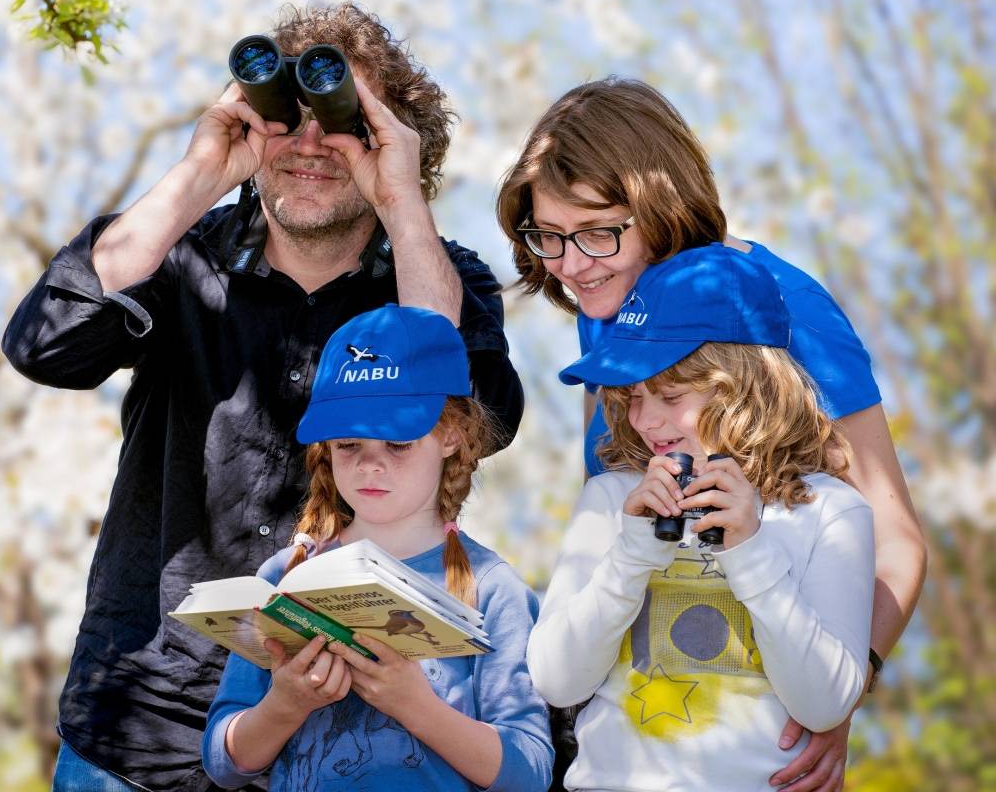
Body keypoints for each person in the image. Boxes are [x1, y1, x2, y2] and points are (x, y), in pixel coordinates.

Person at [2, 3, 523, 792]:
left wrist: (401, 203)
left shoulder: (442, 276)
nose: (311, 141)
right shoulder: (179, 260)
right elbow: (46, 344)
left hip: (343, 743)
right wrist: (200, 176)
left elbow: (476, 413)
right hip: (137, 728)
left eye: (343, 120)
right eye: (288, 116)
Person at [497, 76, 923, 792]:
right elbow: (610, 490)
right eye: (548, 237)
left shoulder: (784, 316)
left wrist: (843, 691)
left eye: (597, 232)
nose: (569, 266)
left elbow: (897, 539)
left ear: (661, 207)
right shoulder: (604, 307)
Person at [527, 246, 875, 791]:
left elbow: (826, 703)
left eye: (668, 394)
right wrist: (631, 554)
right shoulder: (610, 498)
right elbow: (556, 680)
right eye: (631, 396)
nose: (644, 420)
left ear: (745, 385)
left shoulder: (829, 511)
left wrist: (750, 552)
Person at [202, 304, 553, 790]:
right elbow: (223, 762)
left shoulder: (491, 588)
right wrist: (285, 705)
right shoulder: (285, 576)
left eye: (398, 444)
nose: (370, 466)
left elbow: (530, 772)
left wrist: (416, 706)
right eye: (348, 445)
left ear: (451, 433)